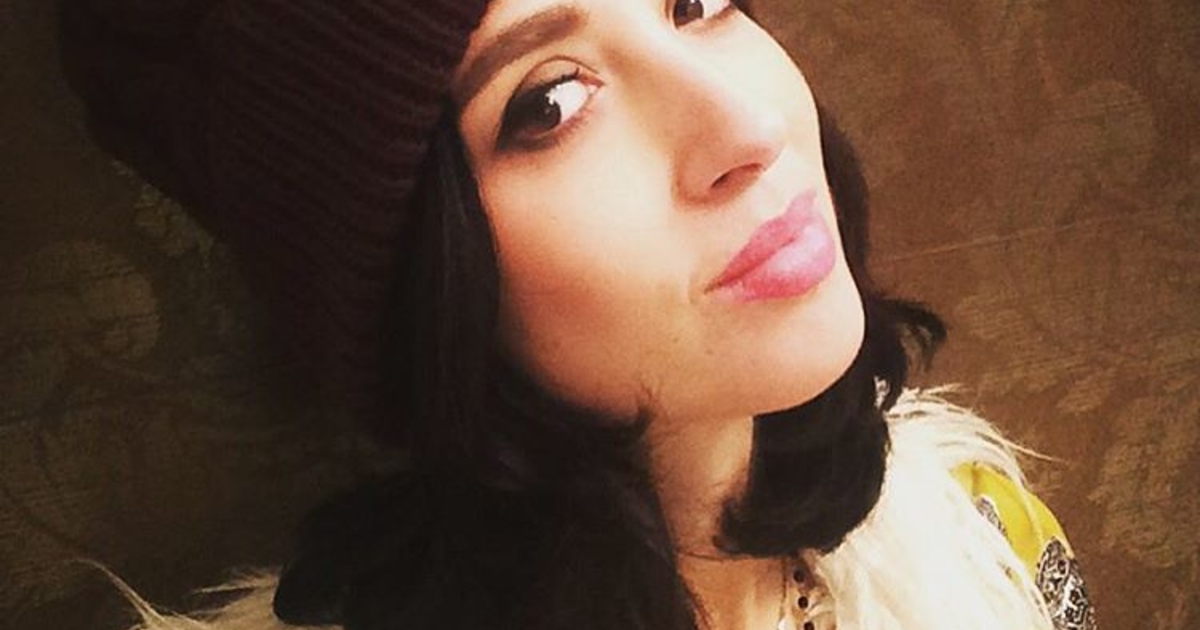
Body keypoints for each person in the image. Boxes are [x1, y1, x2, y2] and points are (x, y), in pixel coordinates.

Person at [59, 0, 1096, 629]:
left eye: (695, 2)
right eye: (549, 102)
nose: (749, 128)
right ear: (424, 284)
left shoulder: (982, 540)